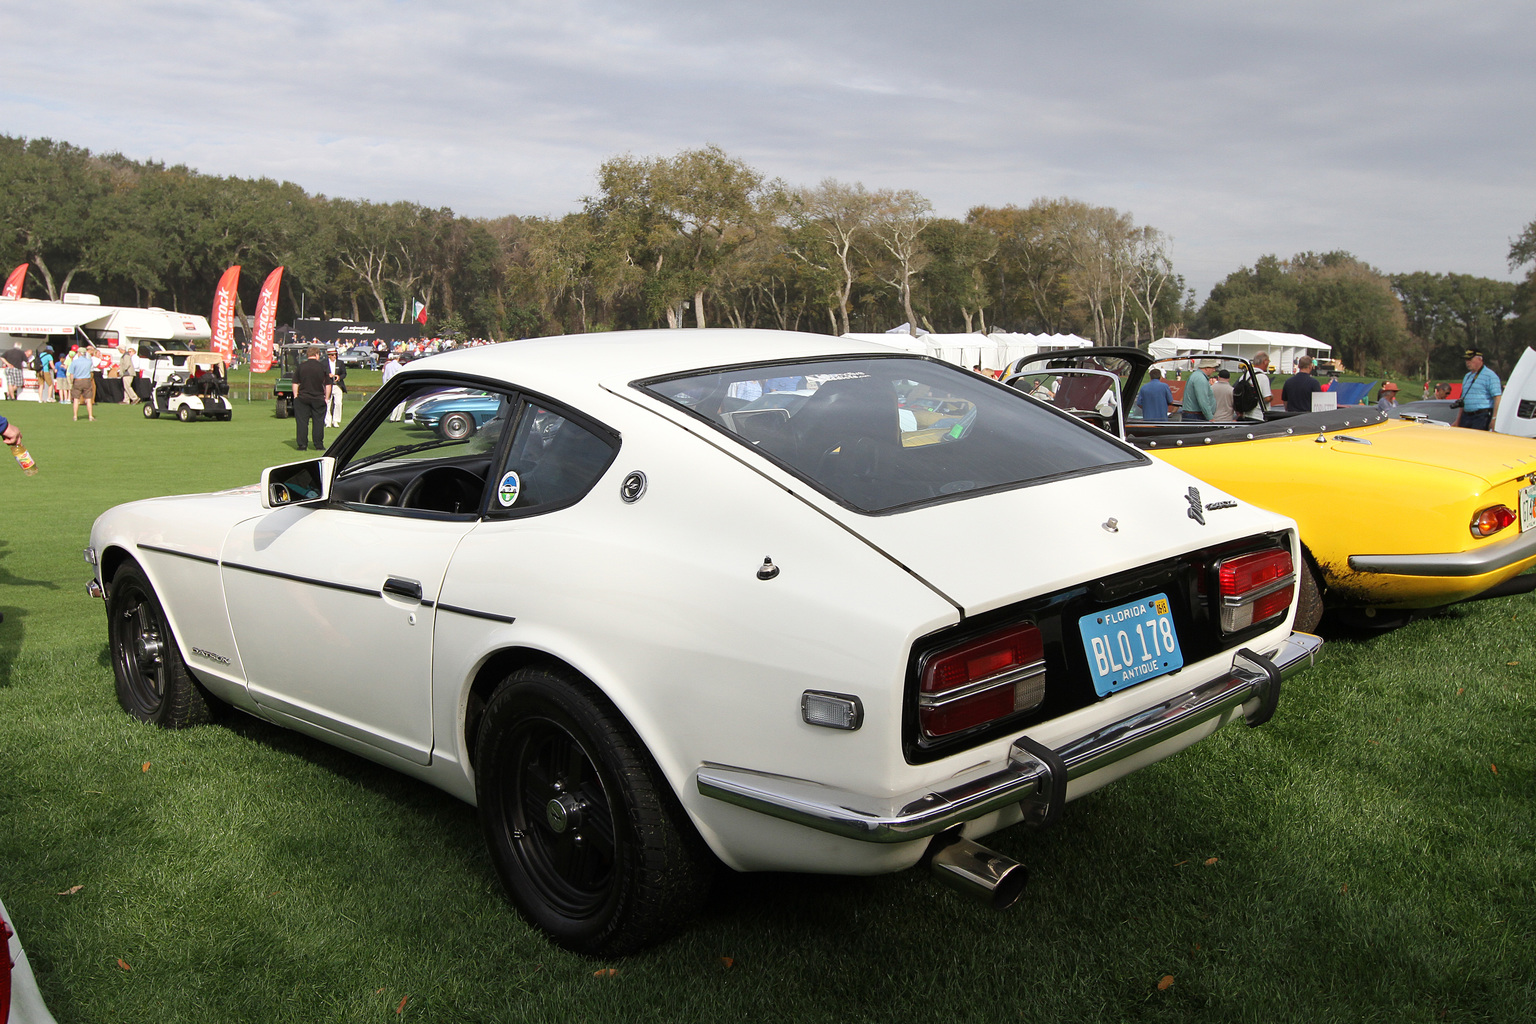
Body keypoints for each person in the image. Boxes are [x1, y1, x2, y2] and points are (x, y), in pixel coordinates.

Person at [1454, 348, 1501, 430]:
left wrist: (1494, 418)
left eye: (1470, 360)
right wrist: (1458, 420)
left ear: (1479, 359)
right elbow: (1463, 400)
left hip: (1481, 416)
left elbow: (1497, 397)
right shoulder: (1467, 376)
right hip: (1466, 416)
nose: (1467, 362)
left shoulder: (1490, 376)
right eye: (1466, 360)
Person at [294, 346, 330, 451]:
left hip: (303, 397)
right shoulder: (322, 367)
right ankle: (318, 444)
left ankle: (302, 445)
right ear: (317, 354)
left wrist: (296, 395)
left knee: (302, 422)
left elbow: (295, 382)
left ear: (307, 355)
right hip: (318, 397)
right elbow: (328, 385)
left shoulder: (301, 367)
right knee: (318, 422)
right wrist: (326, 397)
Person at [67, 345, 97, 421]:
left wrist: (72, 382)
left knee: (76, 399)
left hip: (77, 380)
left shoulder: (74, 362)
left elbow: (71, 374)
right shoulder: (89, 362)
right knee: (89, 399)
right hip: (86, 380)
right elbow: (91, 371)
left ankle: (75, 416)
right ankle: (90, 416)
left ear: (79, 353)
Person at [324, 347, 347, 428]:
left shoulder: (340, 363)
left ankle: (336, 421)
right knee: (327, 403)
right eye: (333, 355)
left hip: (338, 385)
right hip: (327, 385)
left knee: (338, 403)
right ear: (329, 355)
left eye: (335, 355)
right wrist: (328, 375)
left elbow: (344, 373)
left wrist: (339, 377)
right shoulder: (324, 363)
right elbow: (321, 373)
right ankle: (328, 422)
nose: (335, 356)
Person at [1247, 352, 1273, 421]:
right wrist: (1271, 397)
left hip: (1246, 414)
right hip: (1259, 415)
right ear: (1265, 362)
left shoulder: (1245, 375)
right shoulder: (1262, 377)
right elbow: (1267, 398)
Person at [382, 351, 406, 421]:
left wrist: (384, 385)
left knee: (394, 401)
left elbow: (385, 376)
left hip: (390, 384)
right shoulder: (399, 366)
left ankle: (392, 417)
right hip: (398, 385)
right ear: (398, 358)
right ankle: (397, 417)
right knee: (401, 402)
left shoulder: (388, 366)